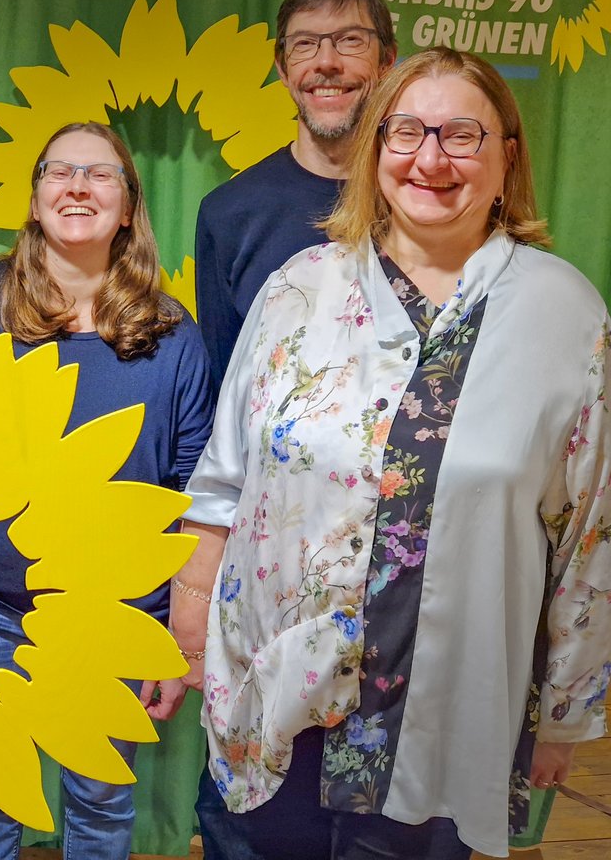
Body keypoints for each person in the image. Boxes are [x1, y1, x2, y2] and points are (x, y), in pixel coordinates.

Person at [174, 47, 611, 859]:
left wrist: (564, 715)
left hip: (446, 703)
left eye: (461, 135)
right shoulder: (299, 288)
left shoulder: (564, 313)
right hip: (281, 684)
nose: (431, 159)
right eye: (405, 131)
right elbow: (223, 475)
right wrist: (191, 631)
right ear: (375, 149)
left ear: (507, 155)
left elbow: (589, 532)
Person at [0, 122, 214, 859]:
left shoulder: (174, 336)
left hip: (115, 618)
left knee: (102, 801)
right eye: (59, 171)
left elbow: (191, 495)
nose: (77, 185)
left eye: (100, 174)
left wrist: (177, 636)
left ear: (127, 208)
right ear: (33, 197)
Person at [194, 0, 396, 393]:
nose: (326, 62)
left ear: (387, 61)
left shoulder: (428, 202)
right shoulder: (228, 214)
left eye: (351, 40)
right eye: (305, 44)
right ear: (283, 69)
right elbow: (226, 392)